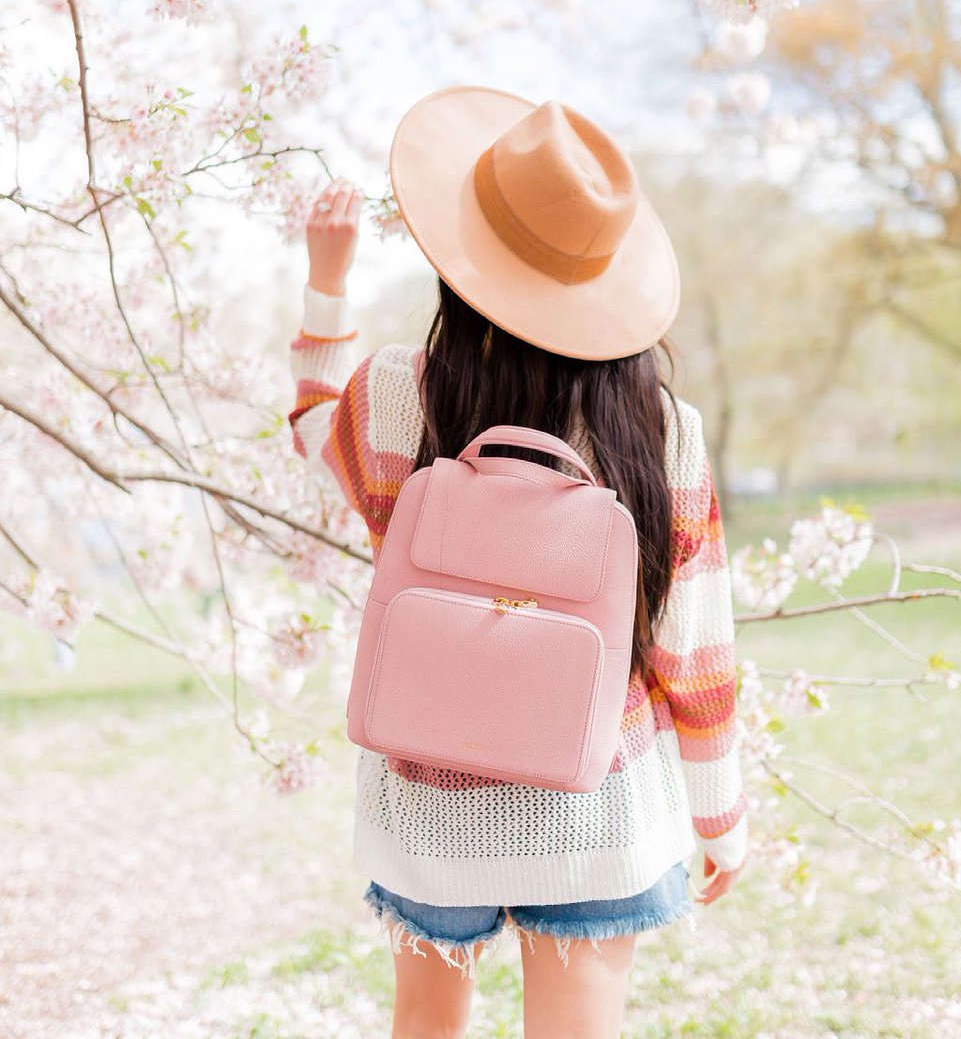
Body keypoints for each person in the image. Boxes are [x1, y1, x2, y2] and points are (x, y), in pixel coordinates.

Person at [287, 86, 749, 1039]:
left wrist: (325, 280)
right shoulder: (661, 431)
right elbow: (691, 654)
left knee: (424, 1023)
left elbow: (307, 429)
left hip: (427, 803)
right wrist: (719, 816)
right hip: (597, 803)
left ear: (463, 260)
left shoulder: (390, 396)